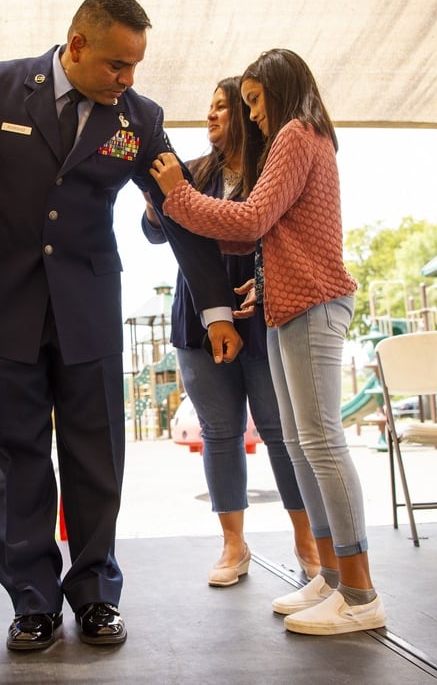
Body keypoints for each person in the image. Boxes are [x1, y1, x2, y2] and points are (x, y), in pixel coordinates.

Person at [0, 0, 242, 651]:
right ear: (78, 44)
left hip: (87, 307)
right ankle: (32, 601)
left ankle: (95, 594)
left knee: (97, 458)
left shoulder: (139, 118)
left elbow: (175, 207)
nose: (128, 80)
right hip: (1, 302)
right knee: (13, 460)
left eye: (136, 67)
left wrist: (214, 307)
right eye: (118, 65)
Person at [151, 48, 385, 636]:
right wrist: (265, 278)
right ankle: (332, 577)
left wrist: (178, 194)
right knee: (304, 442)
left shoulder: (296, 134)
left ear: (278, 92)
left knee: (320, 440)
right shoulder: (302, 138)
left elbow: (252, 219)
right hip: (286, 303)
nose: (250, 115)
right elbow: (285, 230)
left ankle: (359, 591)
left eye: (252, 101)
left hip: (312, 304)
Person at [141, 76, 319, 588]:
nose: (212, 116)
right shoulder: (191, 171)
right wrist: (159, 203)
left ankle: (307, 542)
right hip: (198, 318)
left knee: (281, 433)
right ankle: (233, 544)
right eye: (210, 107)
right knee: (219, 433)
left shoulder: (274, 169)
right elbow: (154, 232)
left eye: (225, 107)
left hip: (266, 314)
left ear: (247, 113)